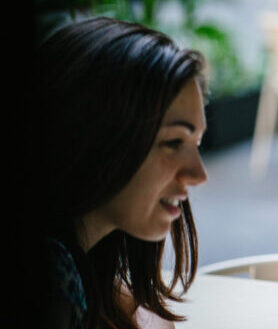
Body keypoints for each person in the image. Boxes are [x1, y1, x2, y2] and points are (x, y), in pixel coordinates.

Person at [33, 17, 208, 328]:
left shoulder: (89, 273)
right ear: (99, 137)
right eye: (173, 142)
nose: (198, 174)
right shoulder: (50, 280)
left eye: (196, 143)